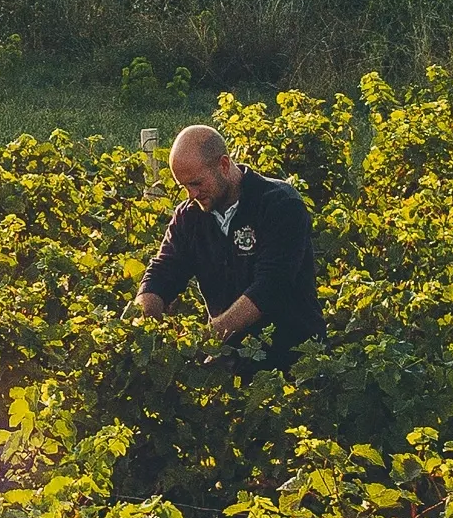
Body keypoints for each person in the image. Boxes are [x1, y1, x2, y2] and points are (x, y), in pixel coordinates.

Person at [132, 125, 324, 364]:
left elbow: (271, 286)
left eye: (196, 183)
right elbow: (162, 272)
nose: (191, 194)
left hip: (294, 362)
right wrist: (141, 323)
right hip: (229, 364)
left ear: (223, 165)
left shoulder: (279, 204)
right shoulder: (189, 216)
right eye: (184, 187)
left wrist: (207, 339)